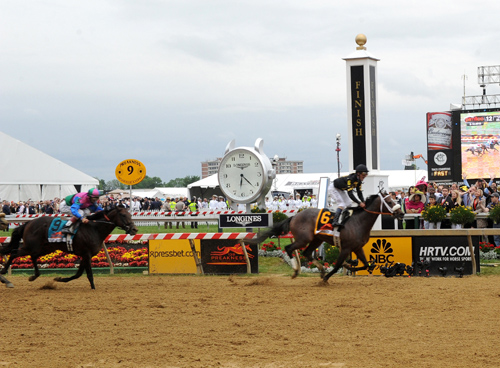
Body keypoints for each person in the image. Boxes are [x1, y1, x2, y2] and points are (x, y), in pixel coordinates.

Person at [325, 164, 368, 228]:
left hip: (340, 189)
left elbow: (359, 193)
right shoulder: (350, 179)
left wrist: (363, 201)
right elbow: (350, 194)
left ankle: (343, 219)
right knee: (341, 204)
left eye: (366, 174)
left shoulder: (359, 181)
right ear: (358, 173)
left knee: (349, 204)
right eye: (364, 174)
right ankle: (335, 221)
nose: (365, 175)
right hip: (333, 188)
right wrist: (359, 203)